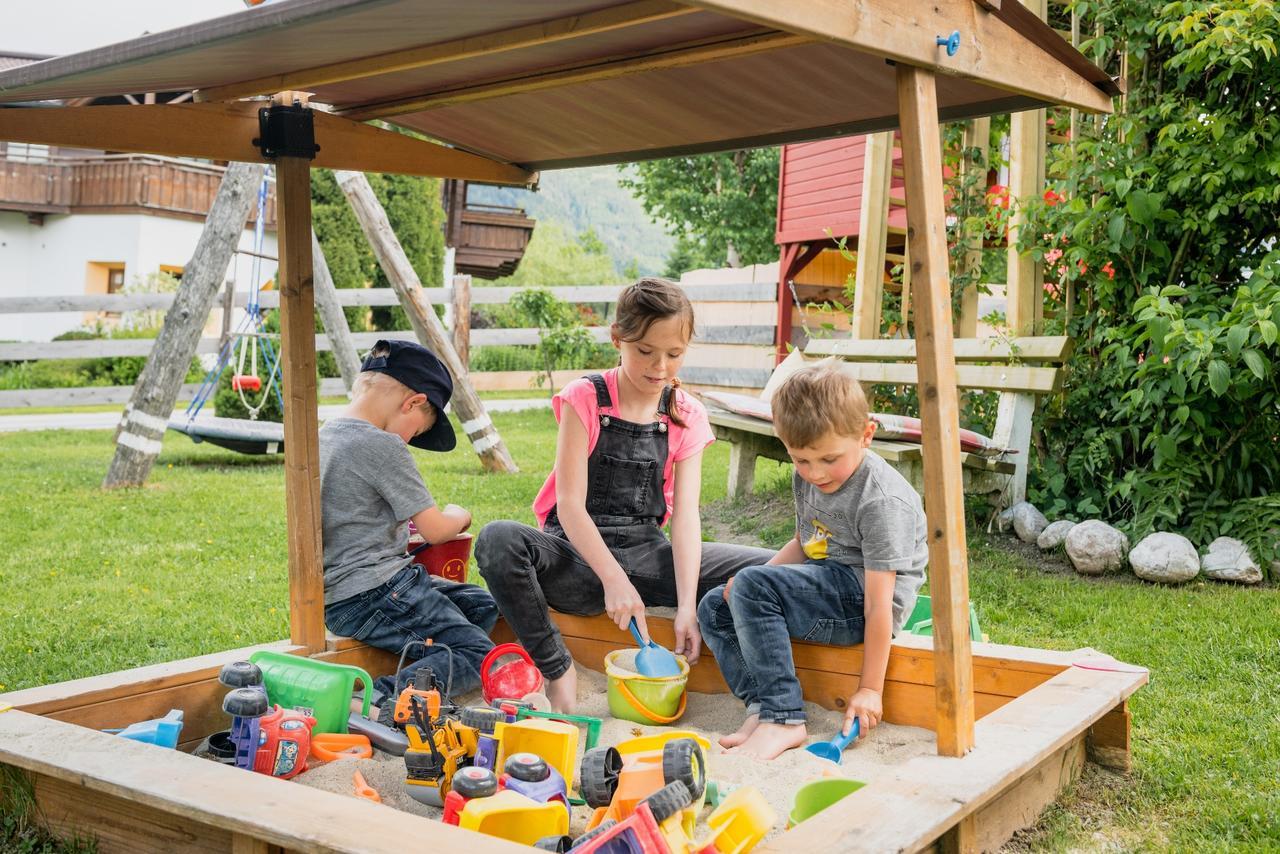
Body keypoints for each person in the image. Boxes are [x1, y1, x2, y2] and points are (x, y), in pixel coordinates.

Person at [475, 278, 774, 713]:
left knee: (770, 566)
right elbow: (569, 506)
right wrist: (613, 580)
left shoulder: (686, 412)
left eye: (674, 354)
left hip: (646, 557)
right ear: (618, 338)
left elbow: (687, 519)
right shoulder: (585, 398)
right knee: (497, 539)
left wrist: (687, 608)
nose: (660, 367)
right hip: (575, 558)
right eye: (645, 352)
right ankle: (558, 669)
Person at [697, 361, 928, 759]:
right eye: (801, 460)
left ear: (866, 435)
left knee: (751, 585)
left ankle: (784, 717)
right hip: (828, 578)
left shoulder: (881, 500)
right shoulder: (807, 476)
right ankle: (762, 706)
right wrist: (749, 584)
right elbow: (807, 543)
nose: (815, 473)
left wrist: (870, 688)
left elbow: (879, 605)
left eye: (828, 459)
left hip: (862, 601)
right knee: (717, 604)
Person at [320, 339, 497, 701]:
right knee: (479, 654)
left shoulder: (323, 435)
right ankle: (374, 699)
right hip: (376, 591)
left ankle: (428, 665)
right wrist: (458, 515)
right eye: (416, 431)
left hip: (346, 591)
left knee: (482, 606)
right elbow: (435, 529)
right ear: (413, 402)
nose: (410, 438)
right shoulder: (383, 446)